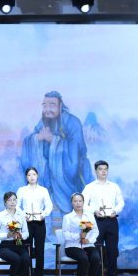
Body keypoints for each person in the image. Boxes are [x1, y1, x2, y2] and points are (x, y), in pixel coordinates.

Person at [19, 91, 92, 222]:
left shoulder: (72, 122)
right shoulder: (44, 121)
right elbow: (30, 140)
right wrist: (38, 138)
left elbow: (75, 152)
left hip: (70, 176)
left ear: (60, 106)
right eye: (45, 105)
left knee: (72, 216)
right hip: (49, 176)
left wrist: (53, 140)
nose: (47, 109)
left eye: (52, 105)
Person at [81, 160, 125, 276]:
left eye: (105, 169)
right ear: (96, 171)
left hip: (111, 221)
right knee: (96, 253)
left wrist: (115, 211)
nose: (103, 171)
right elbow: (83, 204)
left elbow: (121, 202)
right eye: (100, 169)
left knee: (113, 252)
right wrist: (94, 211)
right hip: (96, 221)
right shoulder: (89, 187)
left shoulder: (114, 186)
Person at [17, 167, 53, 276]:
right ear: (26, 177)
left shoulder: (43, 190)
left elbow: (49, 205)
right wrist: (24, 215)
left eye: (34, 174)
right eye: (29, 175)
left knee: (39, 251)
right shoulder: (22, 190)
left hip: (39, 222)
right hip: (26, 222)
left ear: (37, 176)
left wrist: (43, 214)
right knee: (26, 251)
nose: (31, 177)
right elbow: (17, 206)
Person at [62, 193, 102, 276]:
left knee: (96, 257)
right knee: (84, 258)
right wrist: (79, 236)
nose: (78, 203)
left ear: (83, 202)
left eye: (80, 201)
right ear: (71, 203)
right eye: (75, 201)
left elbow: (95, 231)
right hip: (72, 246)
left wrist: (88, 240)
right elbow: (65, 234)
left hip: (87, 244)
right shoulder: (68, 217)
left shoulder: (89, 216)